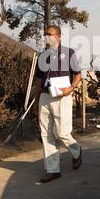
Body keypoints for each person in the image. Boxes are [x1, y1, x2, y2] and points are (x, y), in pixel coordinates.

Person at [34, 25, 83, 183]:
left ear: (58, 36)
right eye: (45, 34)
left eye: (50, 34)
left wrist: (71, 88)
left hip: (62, 96)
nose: (47, 36)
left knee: (62, 133)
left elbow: (78, 74)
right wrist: (36, 100)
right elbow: (39, 81)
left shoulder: (69, 53)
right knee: (46, 134)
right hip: (45, 97)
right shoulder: (43, 55)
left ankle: (76, 151)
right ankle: (53, 170)